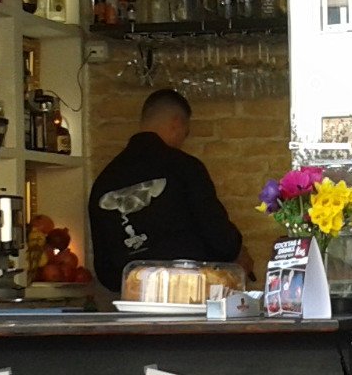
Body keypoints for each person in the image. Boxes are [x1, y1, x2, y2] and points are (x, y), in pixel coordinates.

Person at [89, 89, 254, 292]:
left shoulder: (104, 182)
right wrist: (237, 254)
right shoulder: (184, 167)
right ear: (177, 123)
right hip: (190, 298)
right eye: (186, 133)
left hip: (132, 304)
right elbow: (218, 236)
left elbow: (104, 269)